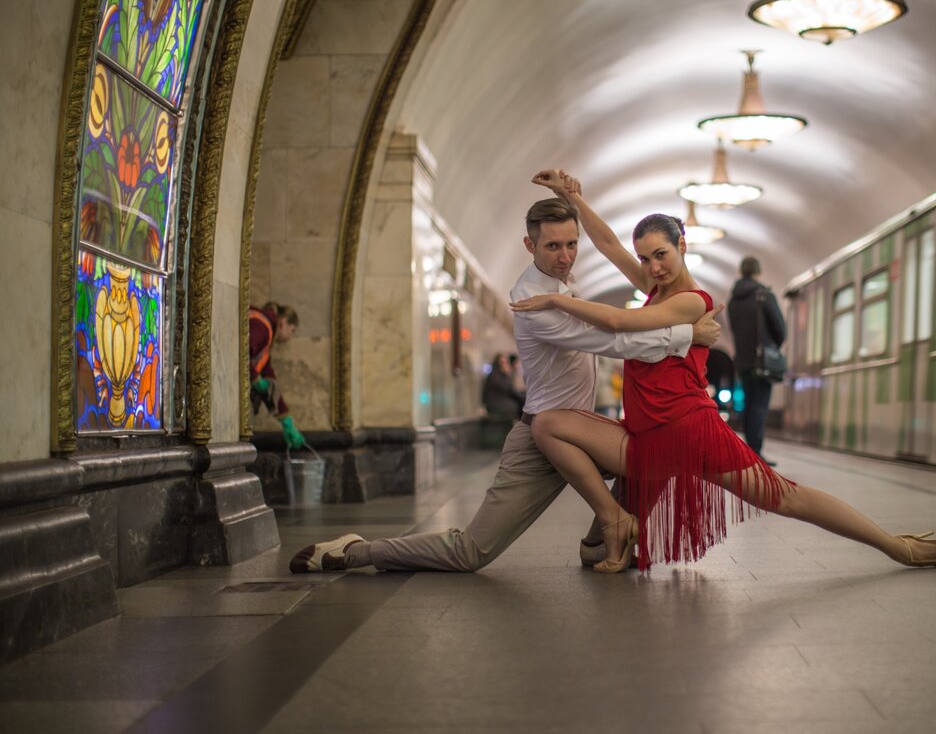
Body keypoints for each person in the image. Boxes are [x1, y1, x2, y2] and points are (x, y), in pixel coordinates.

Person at [511, 170, 936, 574]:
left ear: (682, 246)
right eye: (646, 258)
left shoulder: (692, 301)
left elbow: (619, 322)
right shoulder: (656, 287)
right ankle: (615, 526)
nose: (653, 267)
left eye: (661, 255)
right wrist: (574, 201)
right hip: (649, 436)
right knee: (557, 445)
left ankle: (897, 547)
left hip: (688, 430)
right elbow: (608, 245)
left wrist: (556, 299)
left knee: (786, 497)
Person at [289, 192, 723, 573]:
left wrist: (571, 195)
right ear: (529, 244)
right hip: (541, 438)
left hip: (577, 432)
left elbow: (608, 246)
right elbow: (613, 340)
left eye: (572, 244)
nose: (565, 255)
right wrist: (689, 335)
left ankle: (597, 544)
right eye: (553, 246)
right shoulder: (532, 302)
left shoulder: (560, 285)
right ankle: (358, 552)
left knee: (654, 451)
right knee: (470, 552)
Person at [728, 255, 786, 465]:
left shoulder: (733, 300)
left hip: (743, 360)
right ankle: (755, 452)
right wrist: (772, 346)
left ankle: (748, 450)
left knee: (749, 404)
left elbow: (734, 330)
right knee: (759, 405)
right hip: (762, 359)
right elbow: (780, 329)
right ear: (757, 271)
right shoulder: (764, 295)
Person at [249, 302, 305, 450]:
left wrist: (286, 419)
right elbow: (241, 355)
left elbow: (269, 377)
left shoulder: (267, 336)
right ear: (284, 322)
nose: (289, 338)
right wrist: (256, 379)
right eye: (292, 331)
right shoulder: (262, 327)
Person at [483, 353, 524, 420]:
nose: (505, 365)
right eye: (502, 362)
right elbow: (508, 388)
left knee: (520, 402)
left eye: (506, 362)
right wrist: (508, 375)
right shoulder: (494, 375)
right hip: (495, 404)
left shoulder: (500, 375)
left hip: (501, 400)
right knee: (516, 405)